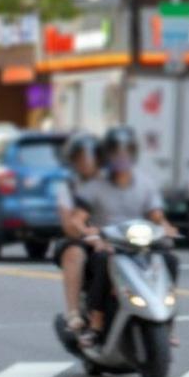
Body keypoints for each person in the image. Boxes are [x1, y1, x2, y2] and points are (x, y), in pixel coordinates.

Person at [76, 126, 179, 349]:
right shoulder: (94, 186)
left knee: (169, 260)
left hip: (140, 245)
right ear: (106, 155)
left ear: (133, 153)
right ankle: (96, 325)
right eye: (115, 151)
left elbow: (156, 216)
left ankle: (167, 323)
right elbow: (79, 218)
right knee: (103, 262)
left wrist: (166, 228)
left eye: (126, 151)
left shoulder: (145, 184)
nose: (121, 156)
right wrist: (89, 232)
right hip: (109, 245)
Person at [52, 132, 102, 336]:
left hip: (116, 238)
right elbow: (70, 226)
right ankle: (74, 313)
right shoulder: (69, 188)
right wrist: (90, 235)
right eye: (80, 157)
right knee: (75, 251)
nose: (86, 162)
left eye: (89, 156)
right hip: (81, 239)